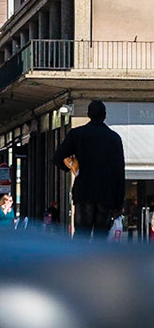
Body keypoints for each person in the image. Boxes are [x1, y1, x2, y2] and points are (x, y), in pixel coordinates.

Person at [53, 100, 126, 239]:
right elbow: (119, 172)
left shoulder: (77, 134)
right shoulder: (114, 138)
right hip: (106, 194)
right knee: (100, 239)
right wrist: (118, 203)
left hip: (84, 192)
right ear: (104, 116)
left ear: (88, 115)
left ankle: (79, 261)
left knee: (81, 237)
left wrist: (71, 167)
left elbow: (58, 157)